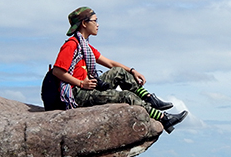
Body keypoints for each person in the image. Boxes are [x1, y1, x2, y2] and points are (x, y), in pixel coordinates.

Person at [47, 7, 188, 133]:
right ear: (84, 23)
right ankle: (163, 118)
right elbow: (57, 71)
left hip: (88, 86)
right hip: (77, 93)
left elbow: (109, 63)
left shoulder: (84, 46)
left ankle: (149, 98)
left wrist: (132, 70)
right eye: (94, 21)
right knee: (126, 96)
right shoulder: (71, 45)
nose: (98, 24)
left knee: (120, 72)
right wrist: (81, 83)